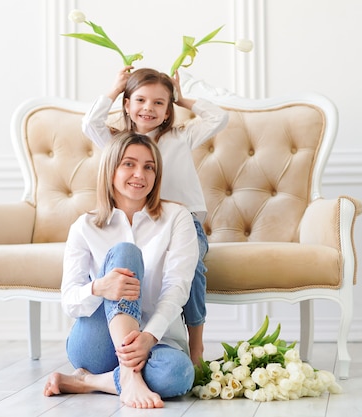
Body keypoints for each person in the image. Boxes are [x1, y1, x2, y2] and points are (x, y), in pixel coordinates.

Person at [82, 66, 229, 364]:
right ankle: (127, 339)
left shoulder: (179, 137)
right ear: (127, 104)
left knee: (194, 271)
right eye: (140, 100)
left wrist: (182, 98)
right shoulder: (119, 144)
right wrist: (114, 89)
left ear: (168, 110)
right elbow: (89, 124)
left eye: (159, 102)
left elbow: (219, 117)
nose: (148, 108)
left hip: (185, 225)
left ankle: (195, 346)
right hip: (142, 226)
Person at [43, 132, 198, 409]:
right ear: (111, 168)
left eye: (149, 167)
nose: (140, 173)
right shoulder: (84, 226)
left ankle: (88, 382)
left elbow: (178, 287)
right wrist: (99, 287)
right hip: (97, 345)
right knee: (126, 253)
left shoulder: (177, 217)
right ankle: (127, 375)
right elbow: (69, 301)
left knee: (178, 376)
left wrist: (149, 336)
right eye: (129, 164)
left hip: (155, 342)